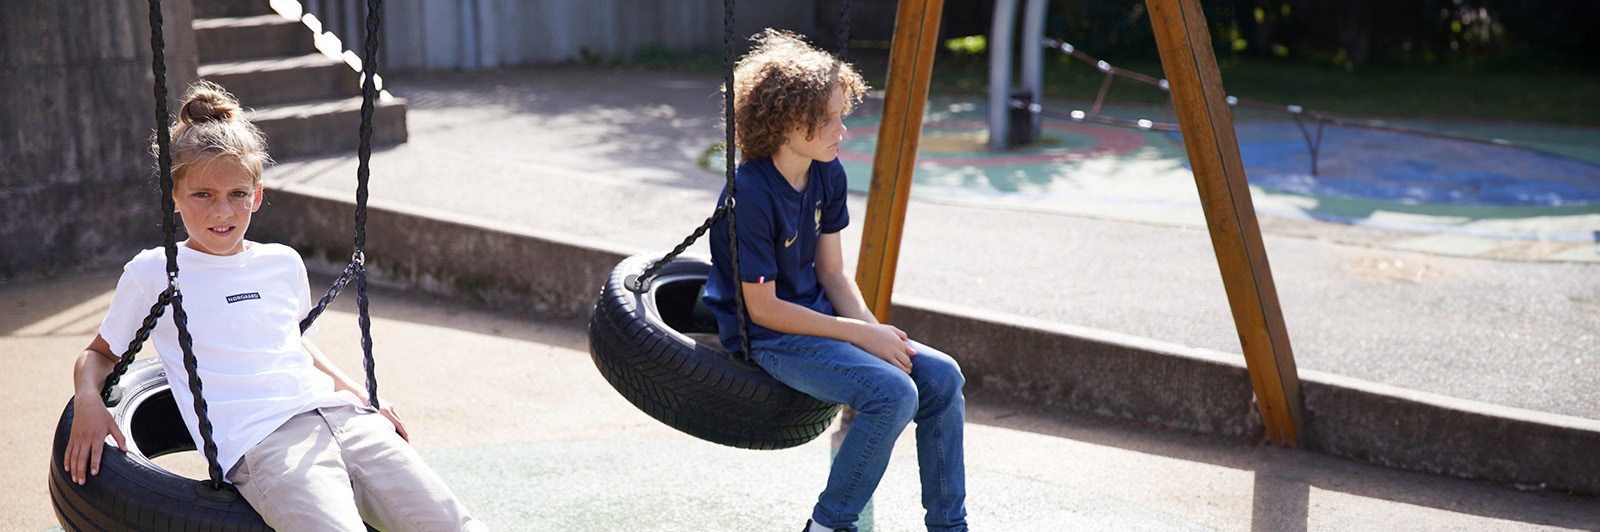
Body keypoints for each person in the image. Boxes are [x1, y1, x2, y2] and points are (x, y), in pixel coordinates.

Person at [64, 81, 485, 532]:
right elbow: (100, 355)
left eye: (237, 194)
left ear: (257, 194)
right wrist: (89, 401)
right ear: (175, 196)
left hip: (340, 417)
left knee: (456, 525)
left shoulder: (283, 262)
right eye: (202, 194)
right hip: (262, 440)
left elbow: (296, 344)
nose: (222, 212)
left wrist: (360, 397)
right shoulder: (156, 273)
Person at [702, 29, 968, 532]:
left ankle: (949, 525)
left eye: (841, 115)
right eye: (827, 119)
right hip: (769, 338)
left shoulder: (828, 172)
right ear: (783, 121)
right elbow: (763, 309)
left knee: (942, 377)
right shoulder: (750, 195)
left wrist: (876, 333)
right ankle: (828, 525)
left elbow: (832, 272)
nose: (840, 129)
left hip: (819, 321)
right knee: (893, 393)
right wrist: (860, 335)